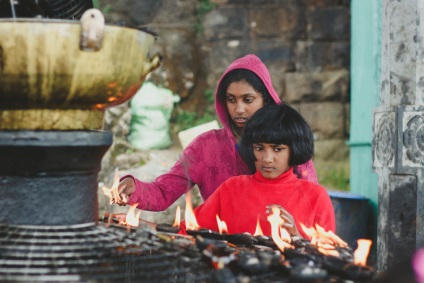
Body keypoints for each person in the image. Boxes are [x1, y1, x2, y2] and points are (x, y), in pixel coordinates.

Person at [115, 54, 318, 211]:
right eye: (231, 100)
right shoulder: (206, 147)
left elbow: (310, 203)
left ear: (265, 99)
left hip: (278, 250)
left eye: (248, 100)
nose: (238, 109)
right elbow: (163, 193)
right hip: (220, 249)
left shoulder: (288, 141)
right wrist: (135, 188)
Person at [183, 104, 335, 238]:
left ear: (294, 150)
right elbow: (188, 228)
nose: (267, 158)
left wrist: (297, 237)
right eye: (259, 148)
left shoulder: (316, 197)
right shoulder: (231, 188)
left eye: (278, 149)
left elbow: (329, 255)